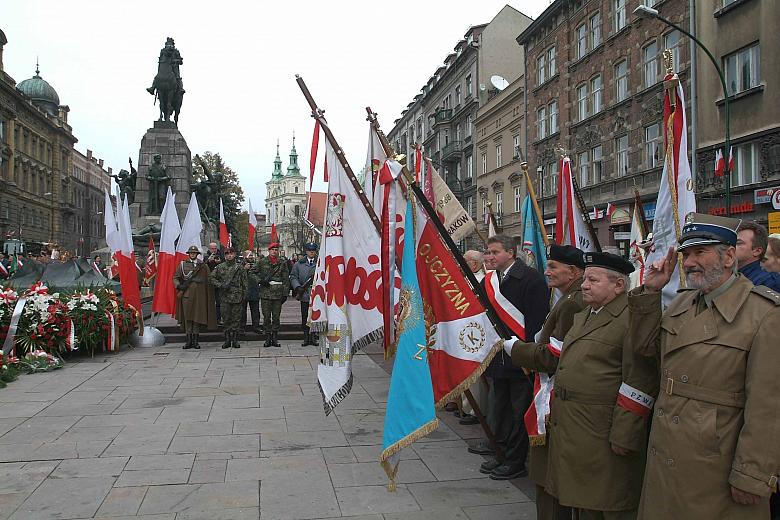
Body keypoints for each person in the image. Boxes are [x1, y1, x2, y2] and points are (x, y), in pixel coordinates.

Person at [628, 213, 780, 519]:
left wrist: (752, 474)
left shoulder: (763, 313)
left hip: (714, 463)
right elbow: (646, 351)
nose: (689, 262)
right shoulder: (682, 302)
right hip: (667, 455)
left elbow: (768, 406)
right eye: (686, 254)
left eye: (700, 253)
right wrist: (651, 292)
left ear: (727, 258)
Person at [505, 244, 586, 520]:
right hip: (552, 389)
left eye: (553, 267)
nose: (546, 271)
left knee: (551, 478)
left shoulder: (574, 302)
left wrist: (515, 349)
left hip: (556, 394)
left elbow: (555, 356)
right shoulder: (566, 297)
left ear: (573, 271)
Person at [479, 235, 549, 481]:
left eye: (495, 252)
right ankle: (500, 452)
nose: (490, 257)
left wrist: (528, 355)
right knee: (501, 408)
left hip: (521, 358)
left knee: (519, 412)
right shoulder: (492, 280)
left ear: (511, 252)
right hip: (499, 355)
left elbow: (536, 322)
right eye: (488, 252)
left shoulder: (531, 279)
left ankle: (515, 460)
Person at [173, 245, 216, 349]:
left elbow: (209, 278)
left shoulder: (202, 265)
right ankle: (188, 341)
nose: (192, 254)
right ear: (188, 254)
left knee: (197, 318)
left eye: (194, 253)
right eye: (191, 253)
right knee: (188, 318)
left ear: (197, 254)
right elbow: (175, 277)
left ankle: (196, 341)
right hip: (186, 295)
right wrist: (179, 285)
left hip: (199, 295)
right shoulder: (183, 265)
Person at [209, 247, 248, 349]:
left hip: (237, 297)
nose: (229, 255)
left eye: (231, 254)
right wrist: (220, 285)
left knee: (236, 319)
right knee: (226, 319)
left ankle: (235, 340)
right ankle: (227, 339)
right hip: (224, 297)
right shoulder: (220, 267)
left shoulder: (239, 268)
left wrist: (244, 295)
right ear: (225, 256)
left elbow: (245, 283)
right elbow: (211, 278)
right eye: (227, 254)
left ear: (234, 255)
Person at [253, 242, 290, 347]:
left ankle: (275, 337)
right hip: (266, 293)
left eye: (276, 249)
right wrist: (260, 281)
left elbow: (286, 278)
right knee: (266, 317)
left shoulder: (282, 262)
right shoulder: (262, 262)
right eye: (272, 249)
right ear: (269, 251)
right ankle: (268, 337)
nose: (274, 251)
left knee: (276, 316)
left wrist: (285, 293)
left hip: (278, 294)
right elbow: (252, 272)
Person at [736, 221, 780, 292]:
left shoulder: (769, 282)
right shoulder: (731, 276)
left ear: (757, 251)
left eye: (738, 243)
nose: (731, 247)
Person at [290, 242, 318, 346]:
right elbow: (293, 276)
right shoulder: (299, 264)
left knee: (315, 316)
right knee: (305, 316)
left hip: (317, 295)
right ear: (306, 252)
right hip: (304, 293)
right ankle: (306, 337)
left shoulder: (320, 263)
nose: (312, 252)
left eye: (313, 251)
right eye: (310, 251)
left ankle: (313, 336)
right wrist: (297, 287)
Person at [204, 242, 224, 324]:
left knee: (219, 302)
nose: (214, 250)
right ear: (209, 249)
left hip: (218, 282)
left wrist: (219, 262)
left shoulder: (221, 255)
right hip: (208, 282)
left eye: (215, 248)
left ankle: (218, 319)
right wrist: (208, 261)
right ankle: (208, 319)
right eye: (212, 248)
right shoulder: (205, 256)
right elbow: (201, 267)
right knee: (208, 301)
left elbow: (225, 265)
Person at [243, 250, 262, 334]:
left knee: (255, 311)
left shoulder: (257, 264)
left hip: (254, 290)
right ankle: (241, 328)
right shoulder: (239, 265)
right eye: (249, 255)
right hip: (243, 291)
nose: (251, 257)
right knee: (242, 312)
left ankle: (256, 326)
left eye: (251, 255)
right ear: (244, 256)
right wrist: (244, 269)